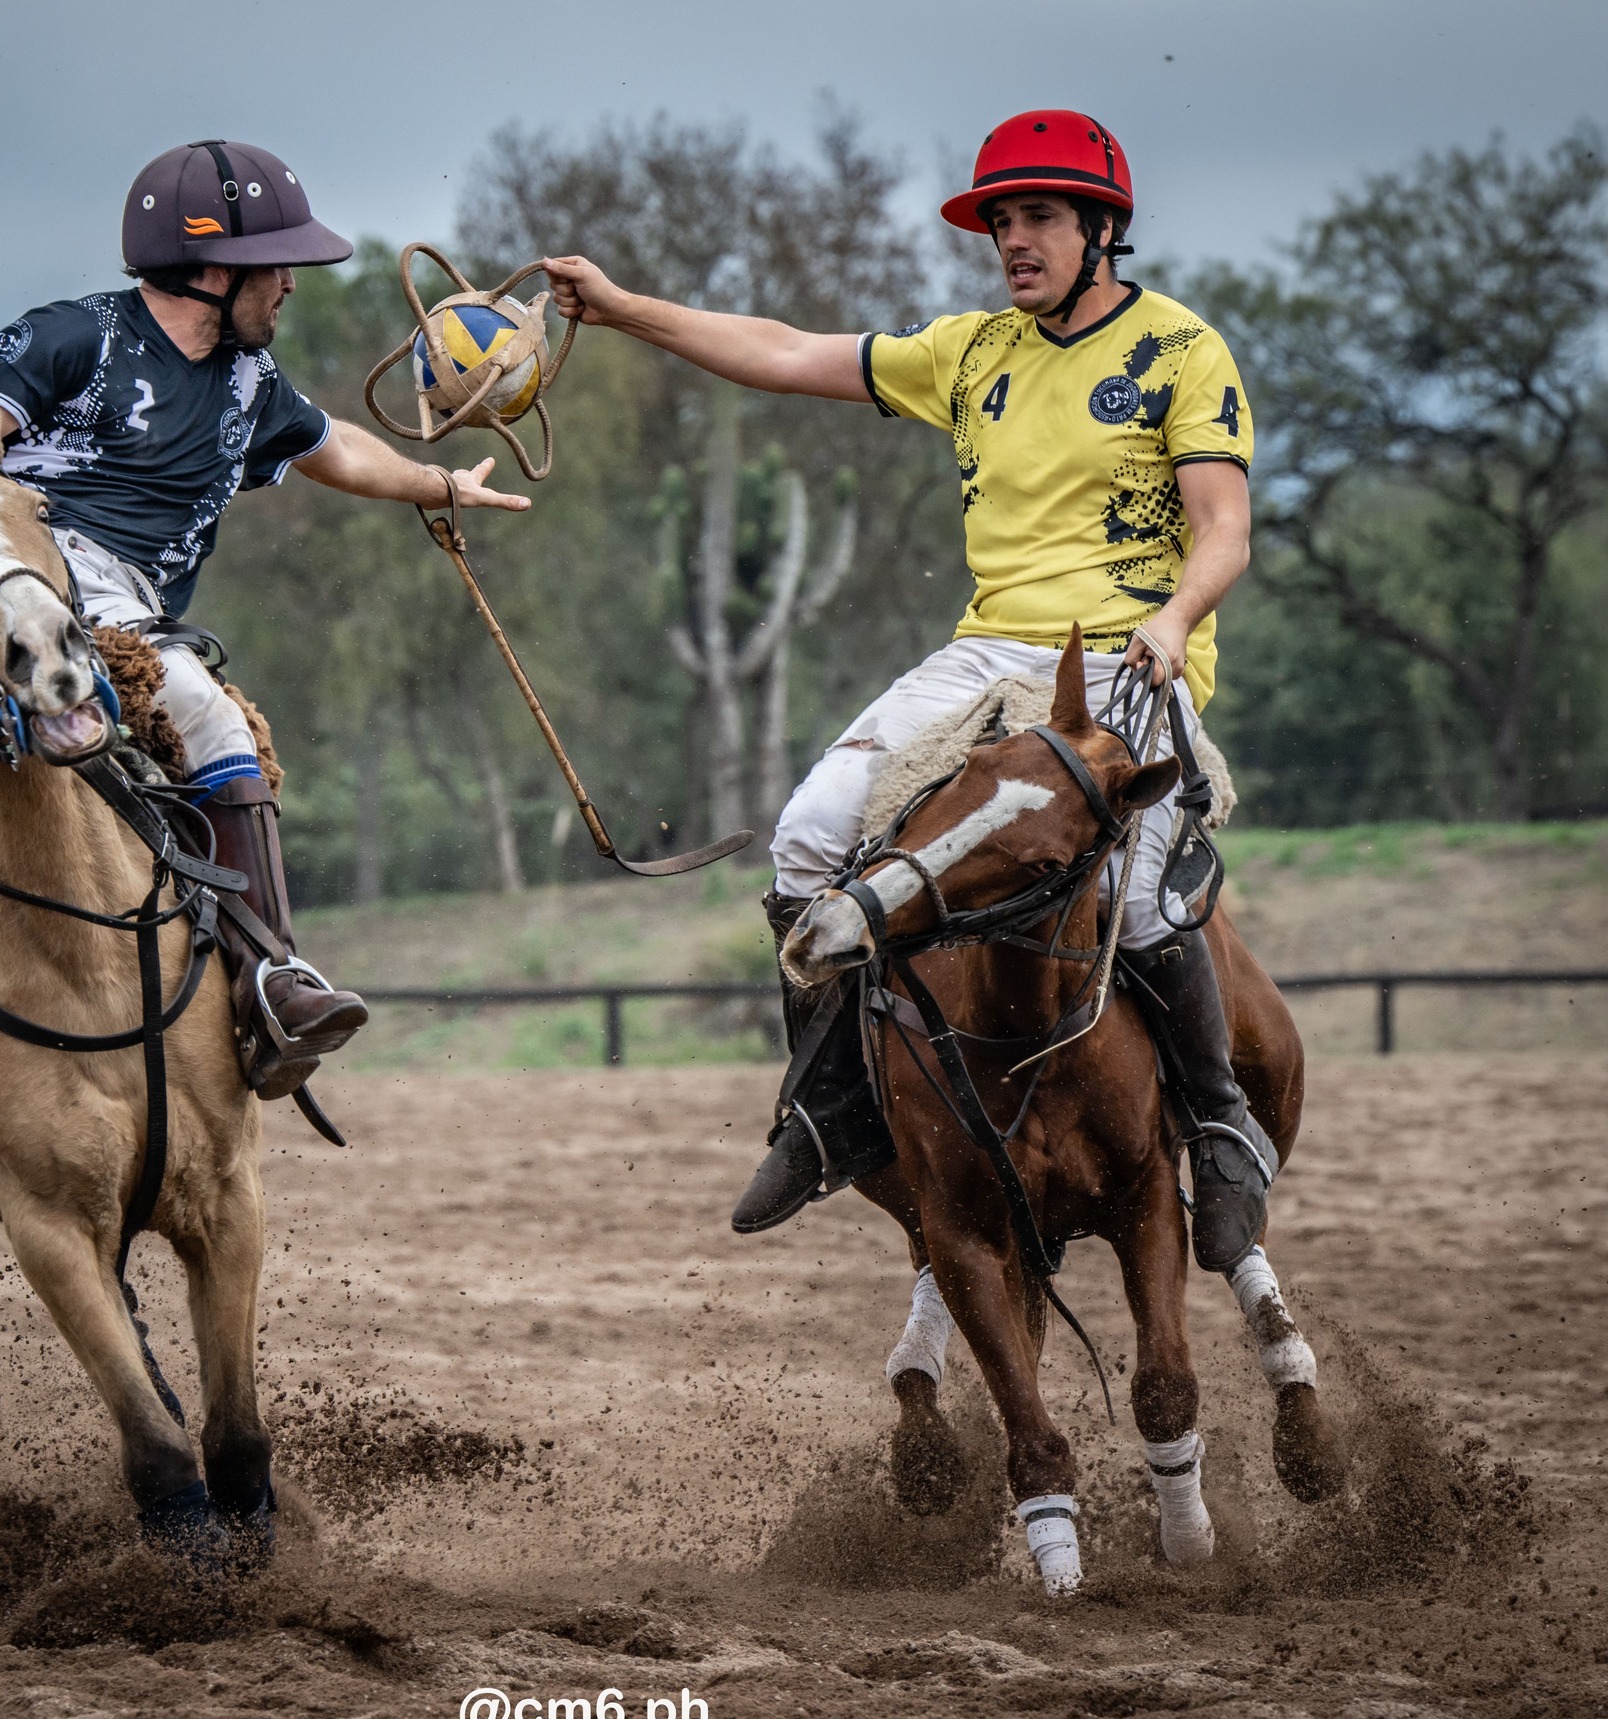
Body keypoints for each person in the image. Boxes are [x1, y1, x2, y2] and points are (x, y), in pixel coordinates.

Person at [0, 139, 528, 1149]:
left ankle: (270, 979)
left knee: (205, 711)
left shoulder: (250, 382)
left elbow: (335, 447)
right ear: (212, 268)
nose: (290, 283)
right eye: (277, 261)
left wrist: (443, 486)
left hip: (123, 612)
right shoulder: (72, 337)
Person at [544, 111, 1275, 1274]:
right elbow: (783, 351)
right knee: (804, 840)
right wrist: (621, 305)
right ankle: (826, 1108)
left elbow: (1222, 528)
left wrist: (1173, 623)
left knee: (1135, 905)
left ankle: (1222, 1126)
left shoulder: (1179, 350)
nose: (1012, 240)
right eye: (999, 220)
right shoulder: (971, 351)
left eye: (1038, 216)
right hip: (987, 658)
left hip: (1131, 655)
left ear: (1100, 229)